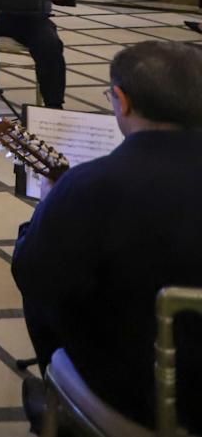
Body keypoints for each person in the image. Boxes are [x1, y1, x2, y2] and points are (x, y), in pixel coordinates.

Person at [12, 42, 202, 430]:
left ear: (121, 100)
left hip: (144, 395)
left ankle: (62, 405)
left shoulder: (93, 185)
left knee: (44, 269)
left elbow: (35, 277)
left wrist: (48, 210)